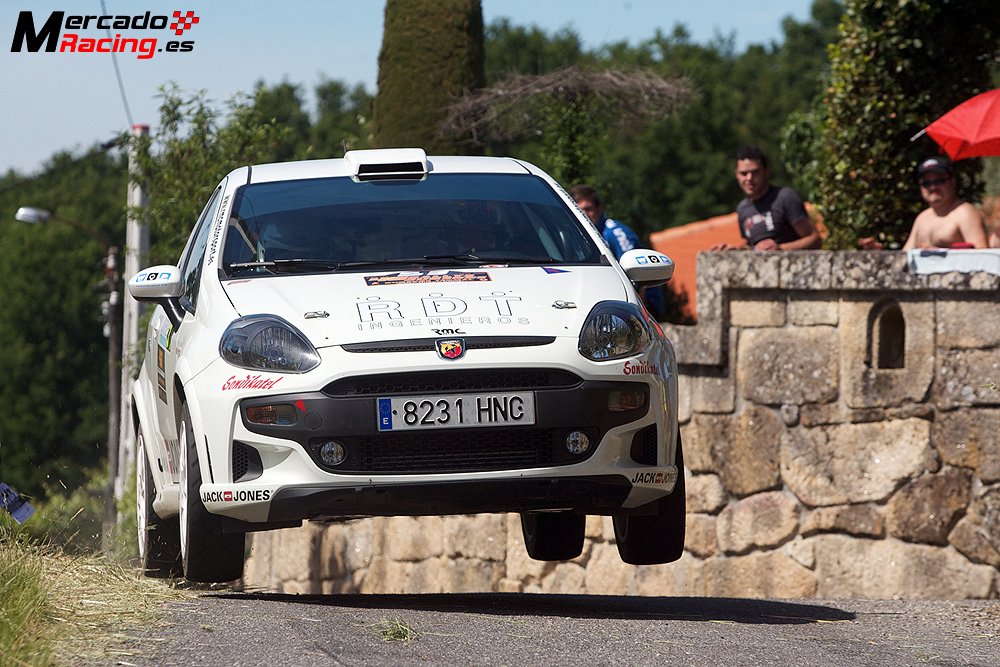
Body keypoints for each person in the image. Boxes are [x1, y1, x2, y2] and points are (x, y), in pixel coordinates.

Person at [571, 183, 667, 317]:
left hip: (642, 308)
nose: (585, 215)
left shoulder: (615, 232)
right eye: (580, 210)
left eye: (588, 209)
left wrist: (638, 315)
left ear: (599, 209)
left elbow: (636, 275)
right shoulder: (584, 237)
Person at [861, 156, 987, 251]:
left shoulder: (965, 213)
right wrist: (880, 252)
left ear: (952, 182)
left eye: (939, 181)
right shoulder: (922, 218)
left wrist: (941, 254)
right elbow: (905, 257)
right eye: (927, 183)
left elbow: (982, 256)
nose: (933, 187)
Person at [714, 146, 821, 251]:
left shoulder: (785, 198)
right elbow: (753, 247)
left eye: (755, 172)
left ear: (766, 172)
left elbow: (814, 239)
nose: (749, 178)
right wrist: (735, 251)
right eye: (744, 173)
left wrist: (780, 249)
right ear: (737, 175)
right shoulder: (742, 209)